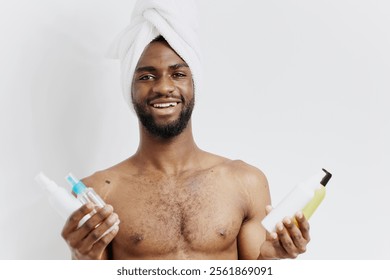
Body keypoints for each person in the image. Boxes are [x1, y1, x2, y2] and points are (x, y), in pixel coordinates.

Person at [61, 0, 311, 260]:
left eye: (178, 74)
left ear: (195, 84)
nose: (164, 87)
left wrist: (271, 261)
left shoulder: (245, 183)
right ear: (129, 88)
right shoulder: (100, 192)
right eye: (146, 76)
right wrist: (82, 260)